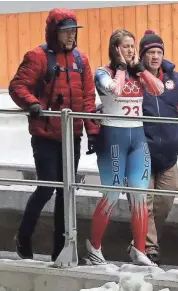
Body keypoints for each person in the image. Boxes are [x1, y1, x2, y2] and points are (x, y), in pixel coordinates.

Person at [8, 8, 99, 261]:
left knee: (66, 191)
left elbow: (88, 98)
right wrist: (32, 103)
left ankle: (60, 248)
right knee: (48, 186)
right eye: (66, 31)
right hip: (46, 134)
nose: (71, 36)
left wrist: (92, 131)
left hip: (72, 135)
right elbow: (17, 86)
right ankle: (24, 236)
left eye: (73, 31)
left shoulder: (82, 60)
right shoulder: (38, 57)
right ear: (53, 32)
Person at [86, 29, 164, 266]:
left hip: (137, 138)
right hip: (113, 138)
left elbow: (159, 89)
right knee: (112, 192)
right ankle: (94, 247)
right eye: (125, 46)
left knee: (140, 194)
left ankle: (139, 249)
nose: (130, 51)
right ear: (115, 49)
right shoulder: (103, 72)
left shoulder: (138, 73)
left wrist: (140, 70)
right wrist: (121, 67)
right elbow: (114, 90)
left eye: (132, 46)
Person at [128, 30, 178, 264]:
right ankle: (149, 250)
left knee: (164, 202)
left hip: (169, 154)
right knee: (145, 203)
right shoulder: (133, 79)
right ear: (143, 55)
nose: (156, 56)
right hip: (143, 152)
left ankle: (138, 242)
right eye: (151, 52)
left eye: (159, 52)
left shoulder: (175, 80)